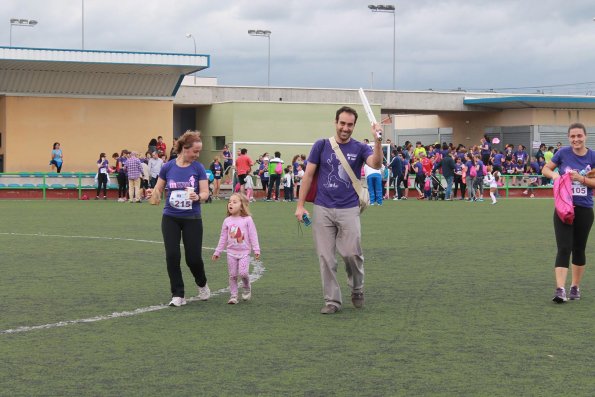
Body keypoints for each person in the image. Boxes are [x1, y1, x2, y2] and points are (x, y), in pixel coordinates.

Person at [294, 106, 382, 314]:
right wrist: (300, 205)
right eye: (342, 123)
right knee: (326, 257)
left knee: (352, 254)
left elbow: (376, 164)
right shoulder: (321, 145)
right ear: (336, 123)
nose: (345, 128)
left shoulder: (360, 148)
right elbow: (307, 176)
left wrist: (378, 140)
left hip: (349, 209)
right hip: (322, 208)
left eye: (350, 124)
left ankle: (357, 288)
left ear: (354, 126)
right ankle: (332, 301)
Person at [147, 130, 211, 307]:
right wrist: (153, 193)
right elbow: (158, 189)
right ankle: (178, 294)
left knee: (193, 258)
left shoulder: (197, 168)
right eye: (195, 151)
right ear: (184, 148)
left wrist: (198, 197)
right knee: (172, 256)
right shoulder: (168, 167)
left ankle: (202, 284)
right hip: (170, 217)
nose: (197, 155)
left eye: (199, 152)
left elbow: (206, 192)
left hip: (192, 218)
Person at [542, 122, 595, 303]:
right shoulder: (562, 153)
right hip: (563, 208)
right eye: (572, 136)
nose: (576, 139)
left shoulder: (593, 156)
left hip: (585, 209)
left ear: (585, 136)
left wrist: (581, 179)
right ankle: (560, 290)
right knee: (563, 247)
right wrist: (556, 176)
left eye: (579, 136)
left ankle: (575, 287)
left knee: (578, 249)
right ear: (568, 138)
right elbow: (546, 169)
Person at [212, 193, 261, 304]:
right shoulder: (227, 221)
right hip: (231, 253)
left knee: (243, 273)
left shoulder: (247, 219)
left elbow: (253, 235)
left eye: (235, 202)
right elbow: (223, 237)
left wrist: (256, 249)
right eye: (230, 201)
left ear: (242, 205)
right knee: (233, 275)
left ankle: (247, 286)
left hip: (244, 252)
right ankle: (233, 296)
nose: (231, 204)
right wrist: (217, 252)